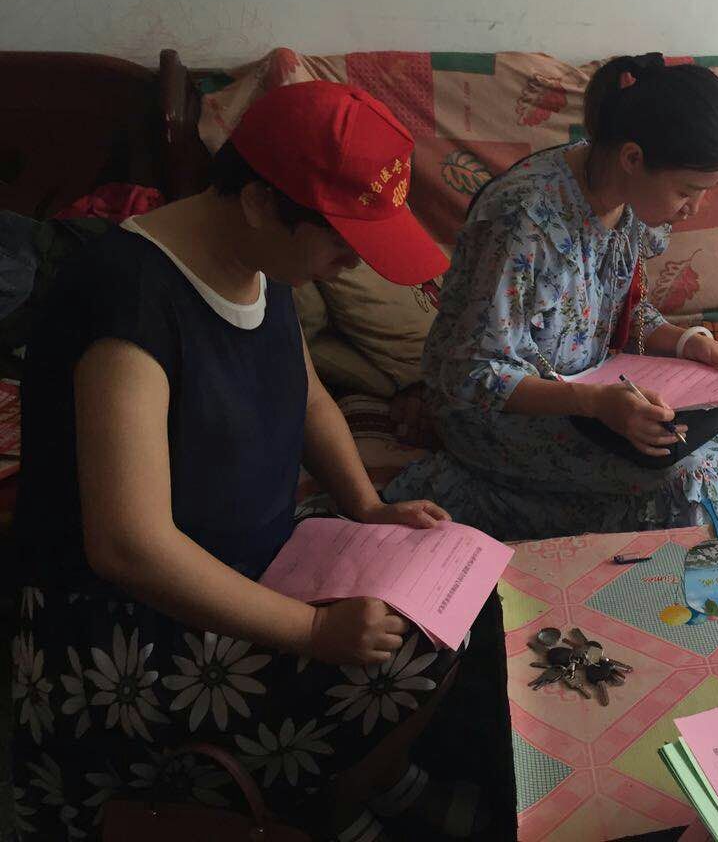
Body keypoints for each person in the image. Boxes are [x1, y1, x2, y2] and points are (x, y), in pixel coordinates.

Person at [11, 82, 485, 842]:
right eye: (340, 241)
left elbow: (308, 395)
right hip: (120, 626)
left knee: (447, 595)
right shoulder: (129, 305)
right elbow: (129, 547)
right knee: (402, 656)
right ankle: (326, 806)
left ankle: (370, 777)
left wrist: (367, 507)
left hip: (257, 557)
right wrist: (312, 632)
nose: (348, 264)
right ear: (262, 201)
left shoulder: (259, 260)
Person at [384, 54, 718, 541]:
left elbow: (609, 306)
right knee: (689, 473)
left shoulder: (624, 198)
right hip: (496, 414)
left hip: (592, 392)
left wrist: (685, 341)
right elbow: (472, 373)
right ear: (633, 158)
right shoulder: (523, 221)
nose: (696, 208)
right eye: (688, 190)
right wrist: (594, 404)